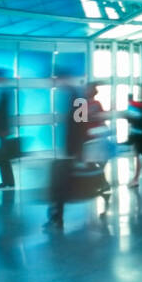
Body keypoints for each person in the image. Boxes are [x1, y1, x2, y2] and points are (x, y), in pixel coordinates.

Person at [46, 78, 91, 230]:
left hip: (72, 150)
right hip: (70, 149)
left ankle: (57, 215)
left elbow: (81, 126)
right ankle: (56, 214)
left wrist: (78, 151)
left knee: (61, 184)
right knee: (61, 184)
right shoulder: (74, 96)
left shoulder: (79, 98)